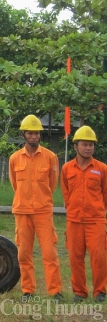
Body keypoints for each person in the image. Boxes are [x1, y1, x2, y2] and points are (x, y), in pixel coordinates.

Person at [9, 115, 62, 299]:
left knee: (49, 252)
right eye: (30, 133)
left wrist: (40, 199)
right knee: (24, 253)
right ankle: (28, 290)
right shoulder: (14, 159)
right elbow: (15, 185)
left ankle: (55, 291)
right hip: (22, 211)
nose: (34, 136)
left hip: (43, 211)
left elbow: (52, 184)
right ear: (23, 134)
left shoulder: (50, 157)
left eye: (37, 133)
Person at [61, 126, 107, 303]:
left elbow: (105, 193)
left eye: (91, 145)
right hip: (74, 220)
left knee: (99, 257)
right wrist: (72, 209)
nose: (88, 148)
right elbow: (66, 193)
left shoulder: (102, 169)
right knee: (75, 258)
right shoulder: (66, 169)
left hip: (95, 220)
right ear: (75, 146)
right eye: (84, 144)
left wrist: (99, 212)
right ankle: (79, 292)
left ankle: (100, 292)